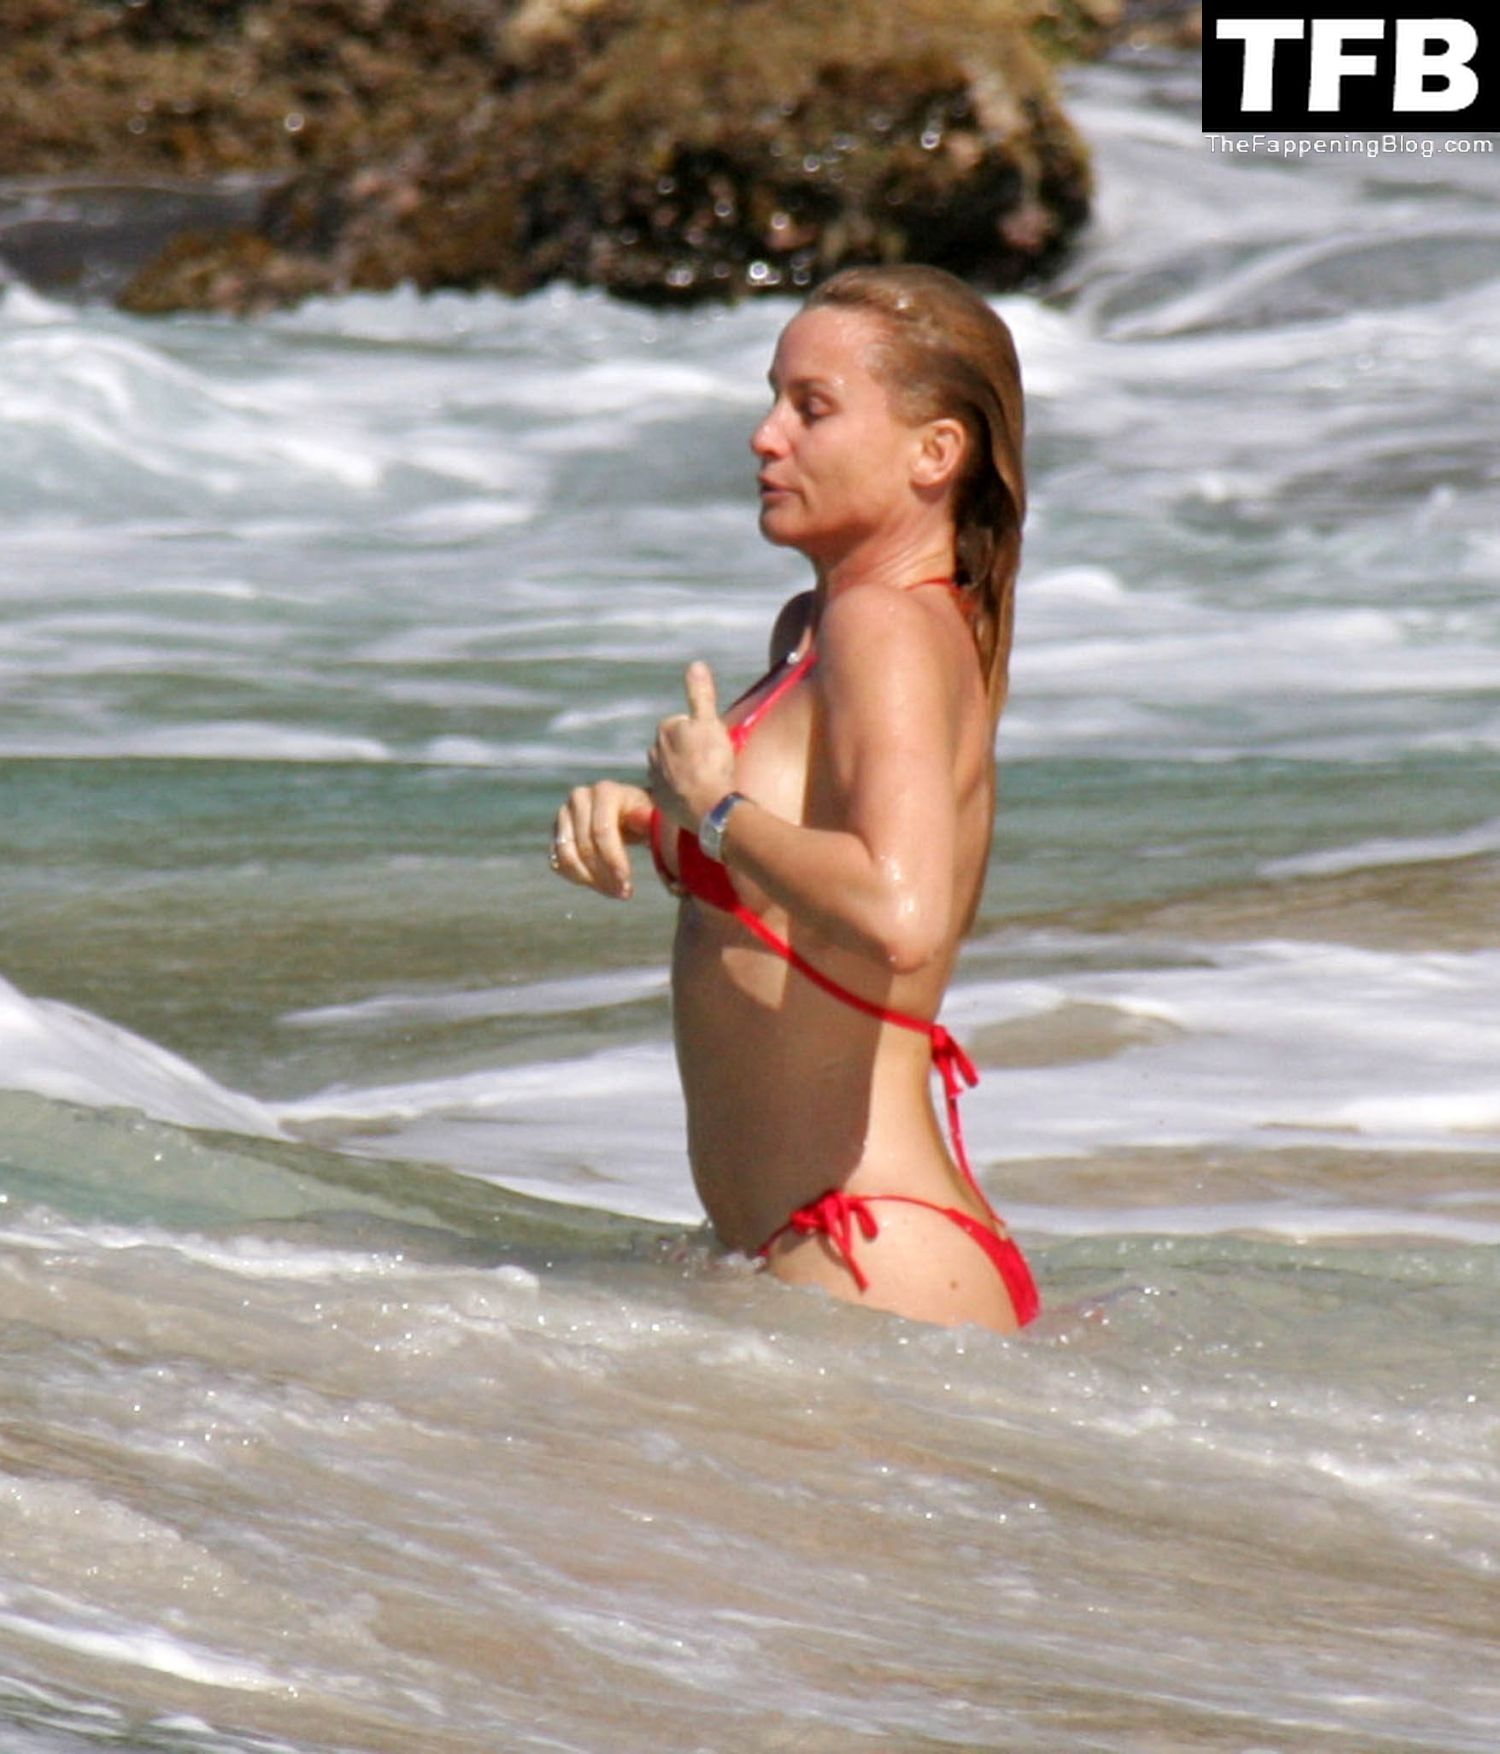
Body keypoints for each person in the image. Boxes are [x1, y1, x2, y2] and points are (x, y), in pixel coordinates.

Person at [549, 264, 1039, 1332]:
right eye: (773, 399)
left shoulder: (885, 627)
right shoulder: (818, 631)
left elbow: (899, 911)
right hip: (811, 1246)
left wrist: (717, 813)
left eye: (812, 409)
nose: (766, 436)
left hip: (869, 1248)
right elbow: (797, 874)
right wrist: (654, 822)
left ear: (935, 453)